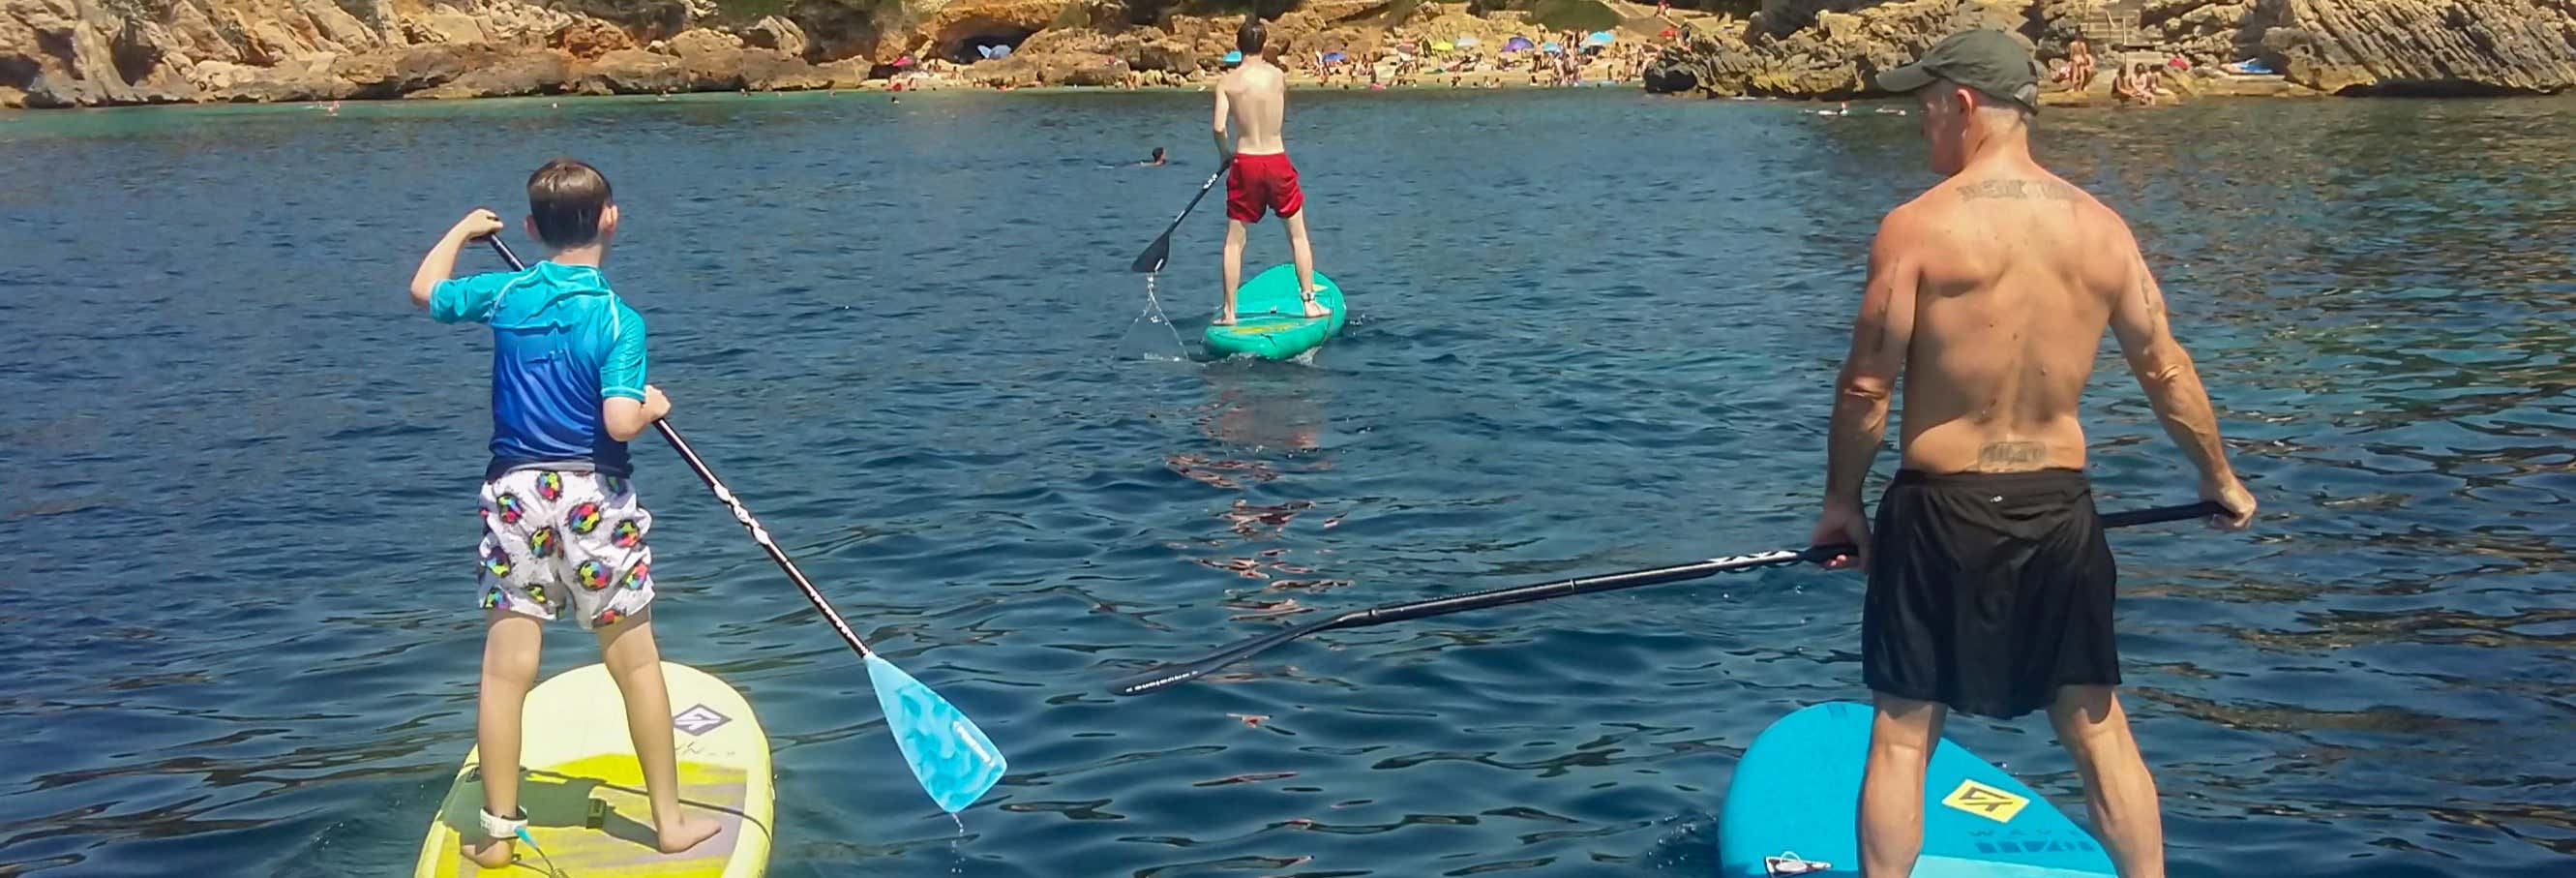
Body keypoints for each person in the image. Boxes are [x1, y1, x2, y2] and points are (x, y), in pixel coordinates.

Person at [1811, 30, 2256, 878]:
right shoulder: (2102, 229)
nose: (1919, 121)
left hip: (1942, 509)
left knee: (1904, 732)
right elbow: (2164, 365)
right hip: (2059, 509)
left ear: (1965, 105)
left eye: (1924, 104)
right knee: (2096, 725)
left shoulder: (1917, 228)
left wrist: (1842, 504)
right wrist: (2219, 479)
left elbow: (1867, 387)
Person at [406, 160, 722, 869]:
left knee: (504, 671)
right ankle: (668, 823)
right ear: (610, 218)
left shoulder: (509, 291)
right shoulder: (617, 318)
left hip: (515, 495)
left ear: (529, 229)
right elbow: (618, 421)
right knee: (636, 665)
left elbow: (426, 289)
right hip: (592, 500)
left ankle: (496, 831)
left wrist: (461, 228)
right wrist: (653, 406)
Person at [1212, 17, 1329, 325]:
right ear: (1264, 45)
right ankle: (1309, 303)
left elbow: (1219, 127)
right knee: (1298, 236)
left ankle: (1229, 312)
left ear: (1237, 47)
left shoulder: (1227, 83)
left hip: (1245, 161)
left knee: (1234, 241)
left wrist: (1226, 155)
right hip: (1276, 158)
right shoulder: (1277, 76)